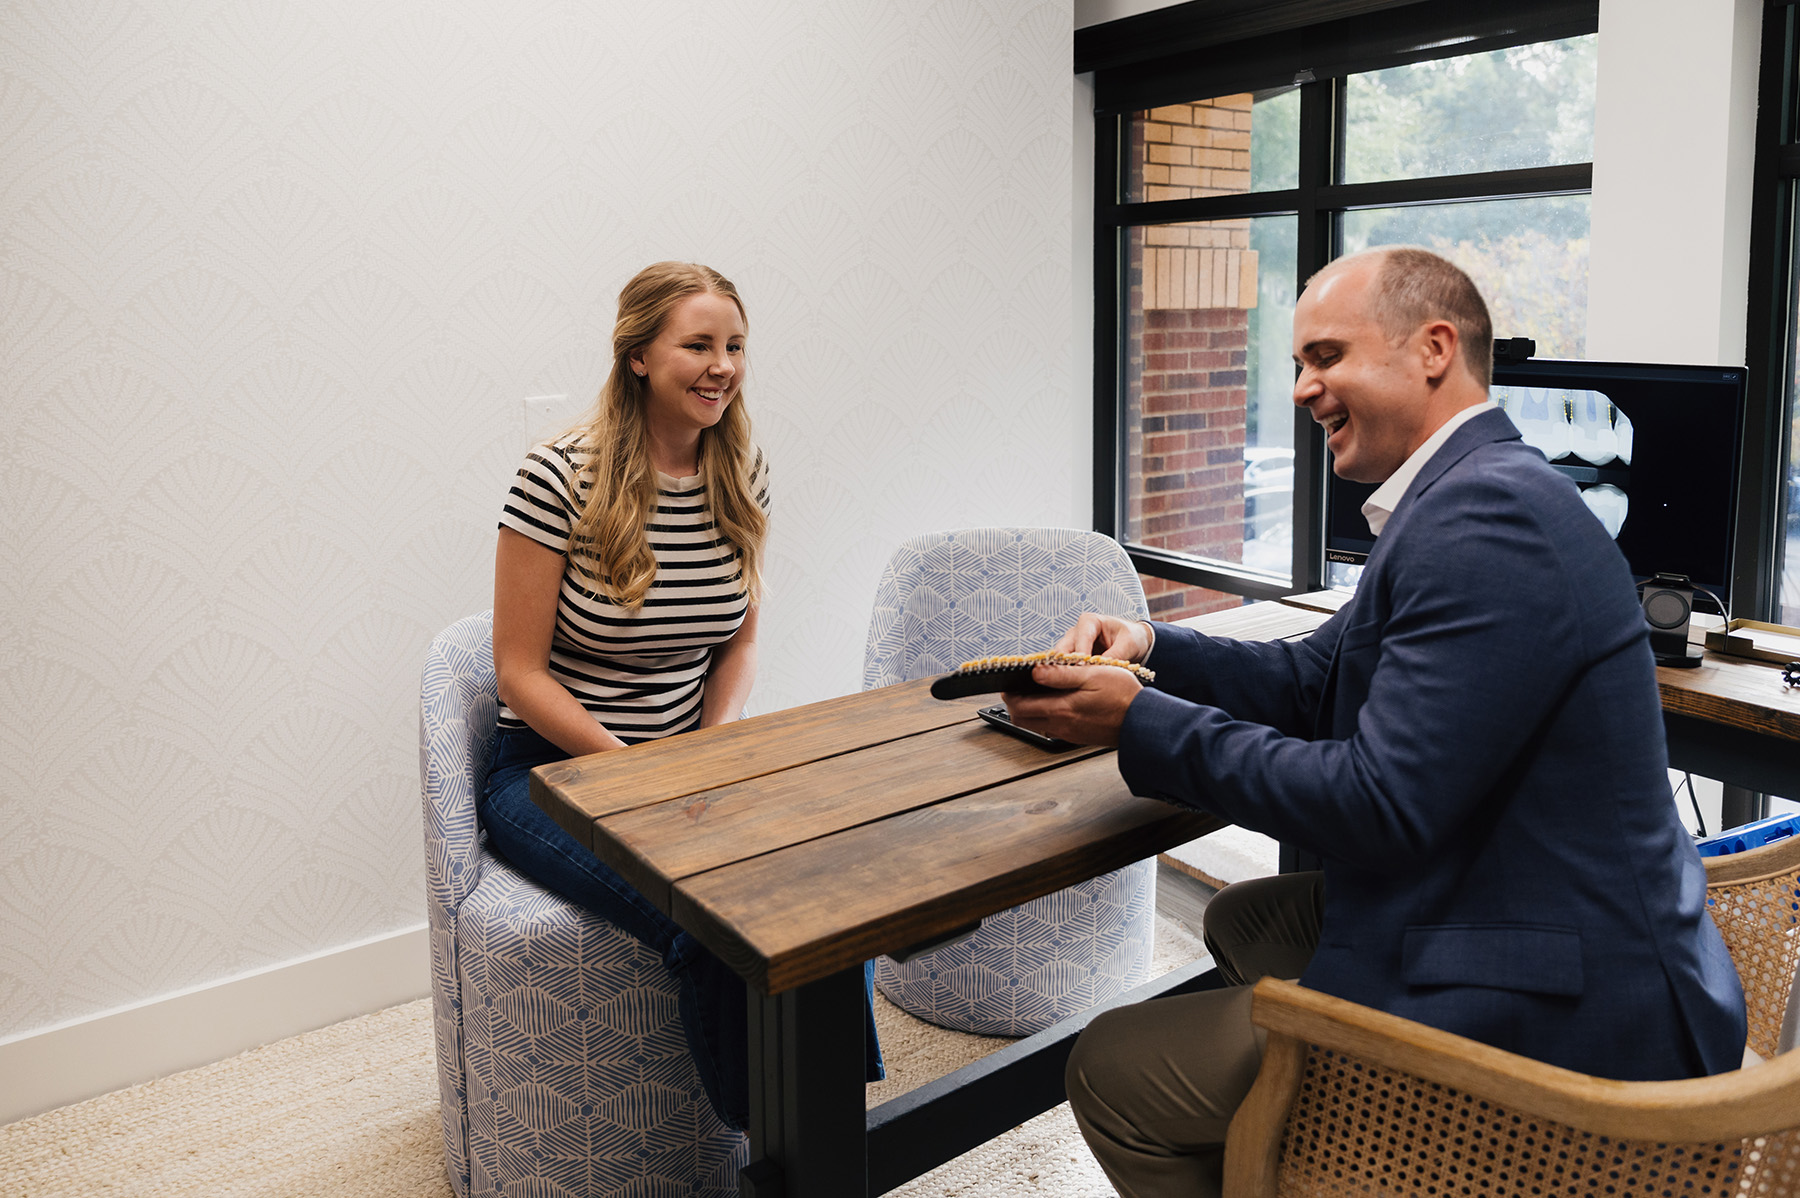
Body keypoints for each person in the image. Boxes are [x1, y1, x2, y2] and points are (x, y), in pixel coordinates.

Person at [1004, 247, 1747, 1197]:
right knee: (1251, 915)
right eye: (1298, 366)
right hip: (1532, 910)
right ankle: (1299, 1142)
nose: (1305, 389)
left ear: (1434, 348)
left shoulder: (1487, 522)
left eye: (1325, 356)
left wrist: (1137, 723)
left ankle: (1355, 1127)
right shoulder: (1465, 495)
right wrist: (1150, 648)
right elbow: (1313, 683)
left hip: (1575, 1006)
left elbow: (1380, 807)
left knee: (1112, 1066)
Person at [479, 261, 881, 1133]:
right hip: (556, 773)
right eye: (697, 344)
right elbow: (519, 672)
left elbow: (738, 641)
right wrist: (639, 774)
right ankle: (776, 1147)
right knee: (710, 921)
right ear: (637, 357)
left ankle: (834, 1125)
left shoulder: (740, 471)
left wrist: (707, 754)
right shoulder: (555, 480)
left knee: (833, 877)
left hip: (685, 764)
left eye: (735, 346)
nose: (722, 366)